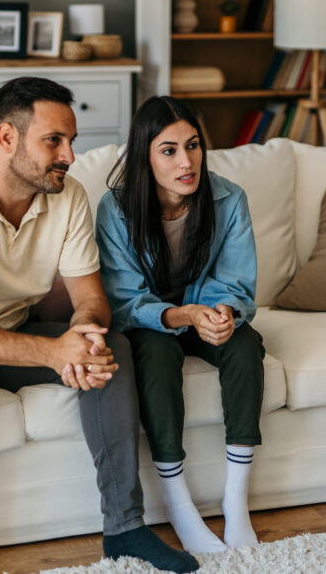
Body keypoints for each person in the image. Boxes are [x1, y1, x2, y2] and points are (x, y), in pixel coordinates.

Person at [0, 77, 198, 574]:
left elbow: (91, 297)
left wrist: (83, 333)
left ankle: (125, 529)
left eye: (71, 140)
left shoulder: (66, 197)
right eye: (54, 141)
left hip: (9, 331)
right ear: (7, 138)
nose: (69, 154)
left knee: (110, 345)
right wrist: (52, 353)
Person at [96, 95, 265, 553]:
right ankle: (178, 503)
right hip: (152, 324)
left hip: (205, 315)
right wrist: (181, 316)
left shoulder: (229, 198)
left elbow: (236, 280)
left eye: (193, 146)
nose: (186, 162)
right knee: (153, 352)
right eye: (168, 150)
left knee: (246, 345)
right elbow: (125, 300)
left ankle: (236, 500)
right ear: (145, 156)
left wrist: (223, 313)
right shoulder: (116, 211)